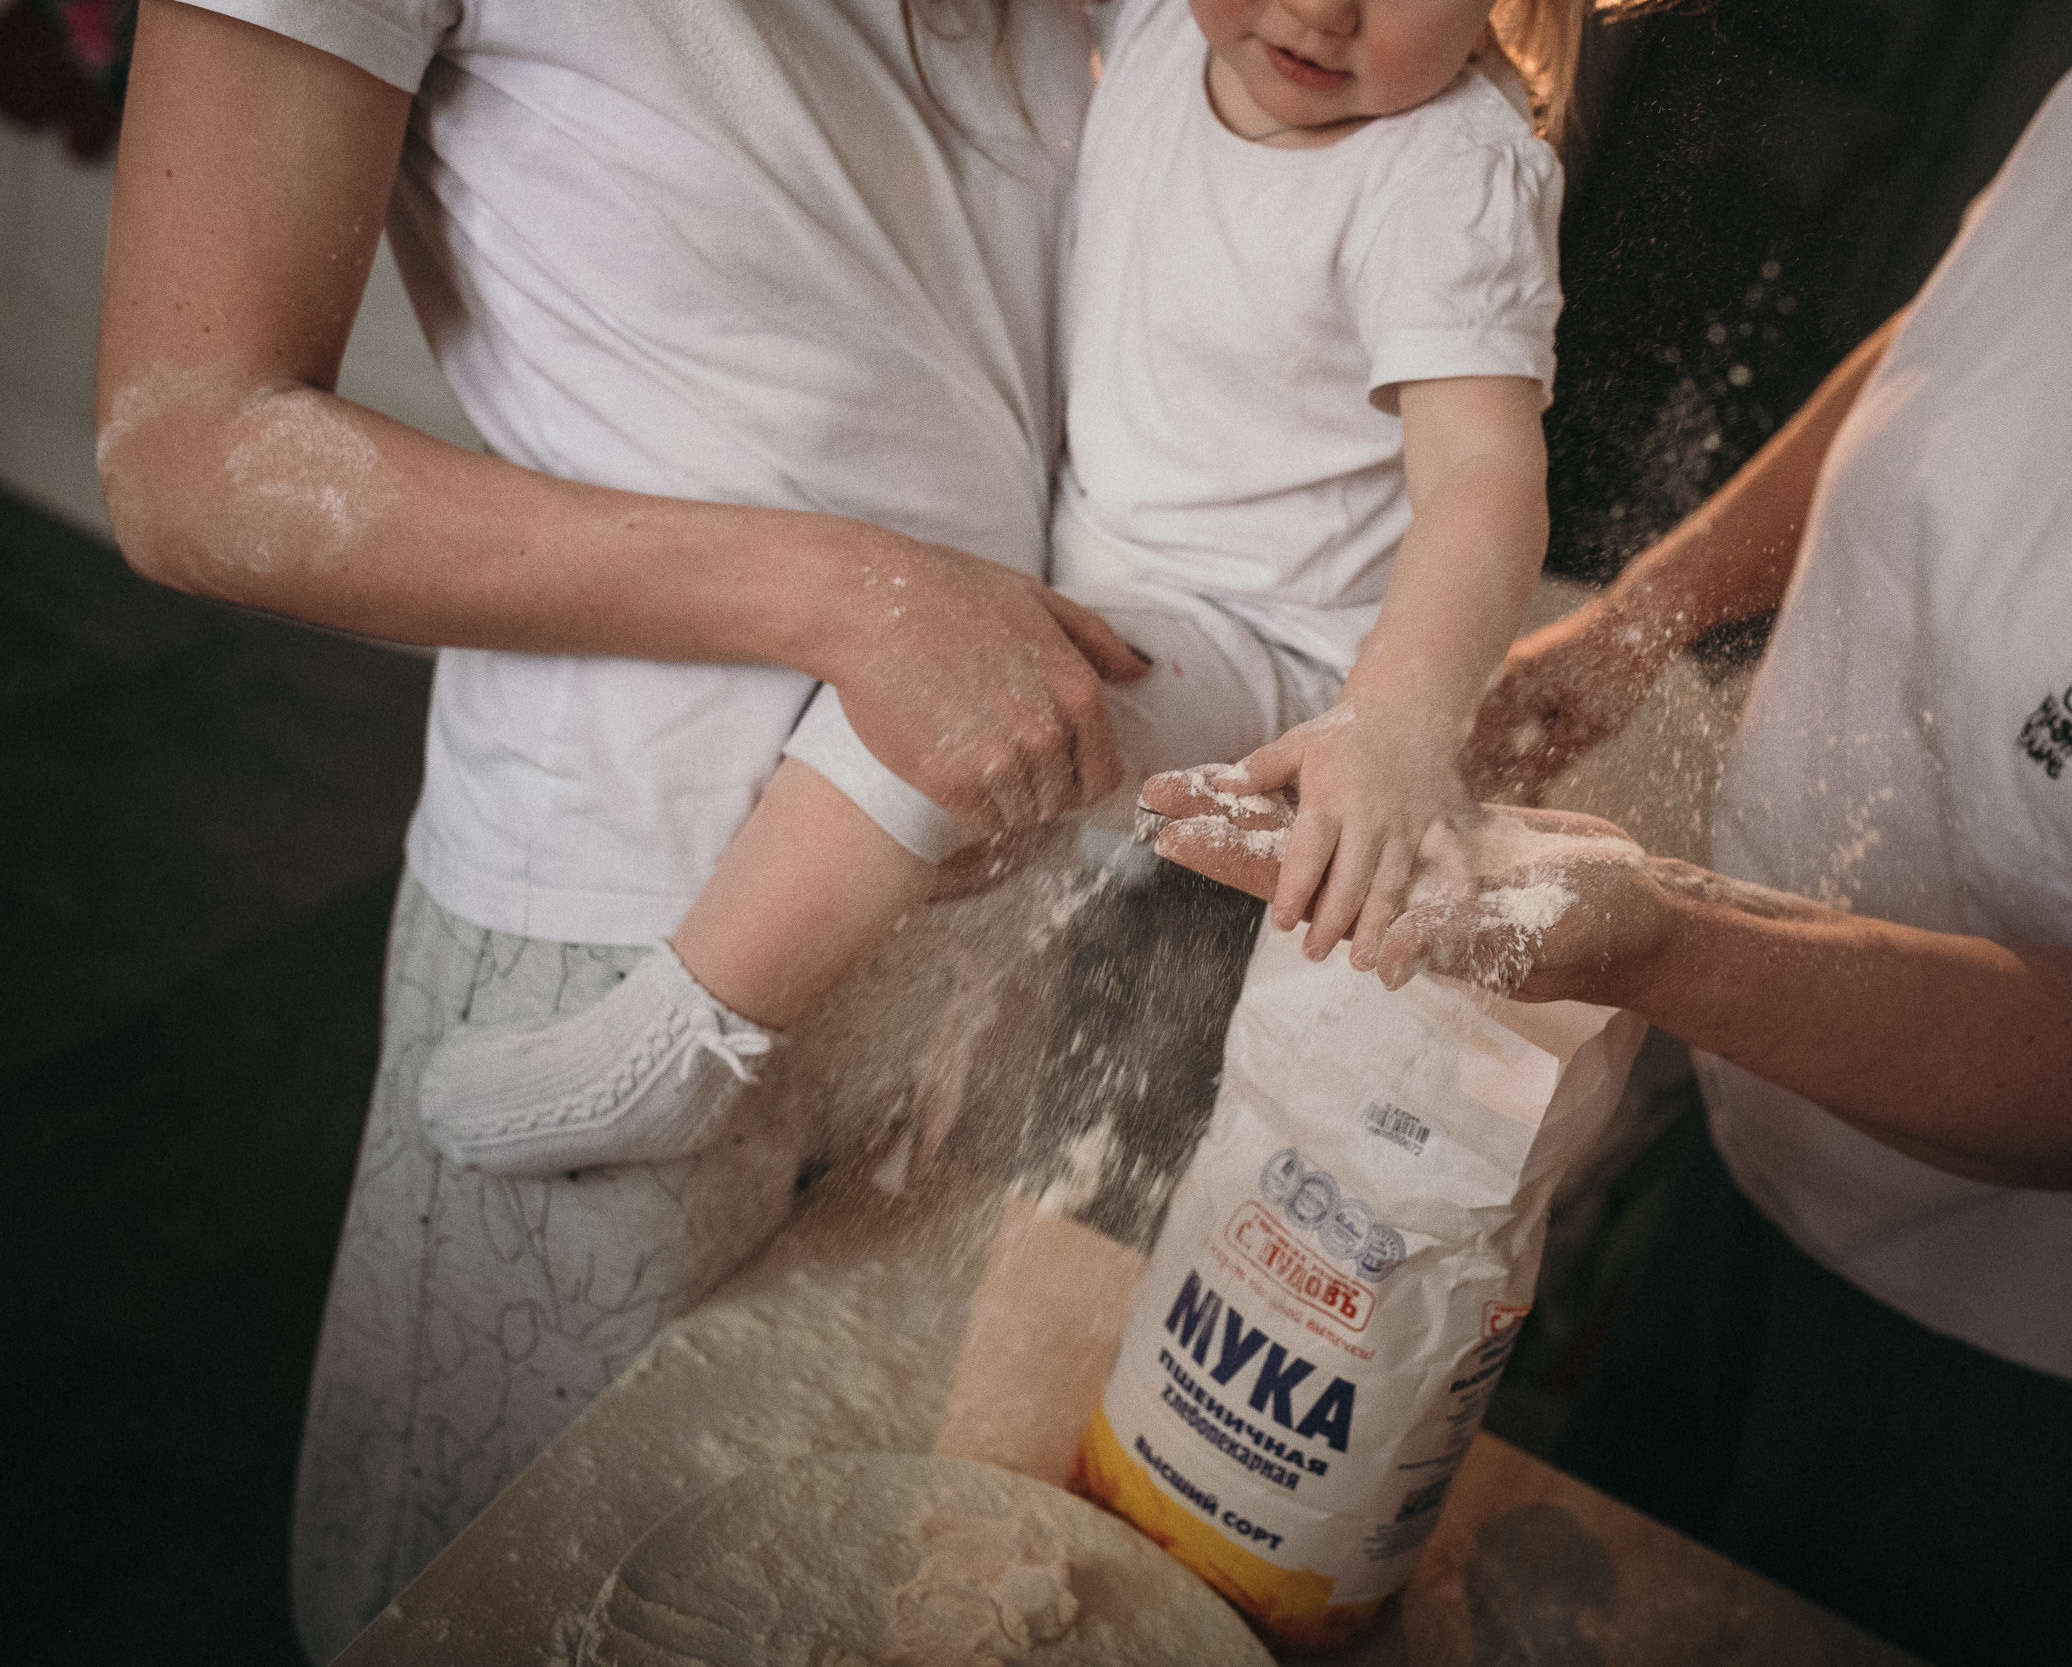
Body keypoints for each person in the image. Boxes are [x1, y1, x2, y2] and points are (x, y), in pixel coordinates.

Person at [99, 0, 1575, 1656]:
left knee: (768, 1579)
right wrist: (862, 600)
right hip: (635, 895)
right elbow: (188, 452)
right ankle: (675, 1033)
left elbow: (1458, 464)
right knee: (474, 1593)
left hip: (998, 893)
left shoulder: (1384, 129)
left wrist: (1405, 700)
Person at [1148, 0, 2072, 1662]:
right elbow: (1967, 346)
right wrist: (1638, 621)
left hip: (2064, 1342)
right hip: (1768, 1110)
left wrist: (1659, 936)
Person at [410, 0, 1578, 1179]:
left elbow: (1483, 476)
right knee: (939, 804)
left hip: (1268, 644)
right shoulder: (1168, 26)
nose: (1321, 10)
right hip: (1109, 578)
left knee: (937, 706)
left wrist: (1397, 719)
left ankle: (675, 1054)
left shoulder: (1451, 172)